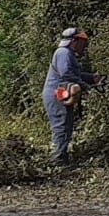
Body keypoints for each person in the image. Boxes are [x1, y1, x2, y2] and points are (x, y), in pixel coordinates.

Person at [43, 26, 98, 165]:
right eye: (82, 43)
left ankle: (61, 157)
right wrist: (85, 85)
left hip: (61, 93)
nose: (83, 46)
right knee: (61, 126)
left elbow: (76, 74)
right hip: (57, 93)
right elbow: (66, 74)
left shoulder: (68, 54)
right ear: (74, 41)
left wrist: (93, 78)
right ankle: (58, 160)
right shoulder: (63, 53)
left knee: (65, 125)